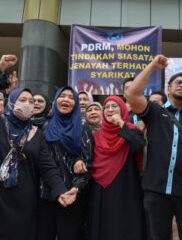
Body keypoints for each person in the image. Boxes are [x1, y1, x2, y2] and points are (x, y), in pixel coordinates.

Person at [125, 55, 182, 240]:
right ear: (169, 88)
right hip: (155, 189)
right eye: (178, 82)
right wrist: (152, 66)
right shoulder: (154, 111)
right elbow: (132, 94)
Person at [0, 88, 77, 240]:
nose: (28, 104)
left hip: (24, 199)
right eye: (22, 100)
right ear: (12, 101)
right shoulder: (1, 124)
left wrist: (61, 190)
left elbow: (48, 167)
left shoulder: (36, 132)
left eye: (31, 101)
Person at [37, 86, 93, 240]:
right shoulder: (42, 125)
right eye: (62, 96)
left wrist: (76, 188)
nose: (66, 100)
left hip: (71, 195)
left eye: (71, 97)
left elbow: (87, 164)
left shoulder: (83, 128)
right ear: (55, 100)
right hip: (44, 192)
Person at [88, 95, 145, 240]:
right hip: (100, 187)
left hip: (126, 186)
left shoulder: (131, 130)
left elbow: (137, 145)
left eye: (115, 106)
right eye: (107, 107)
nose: (110, 109)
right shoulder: (95, 135)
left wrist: (121, 123)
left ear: (123, 110)